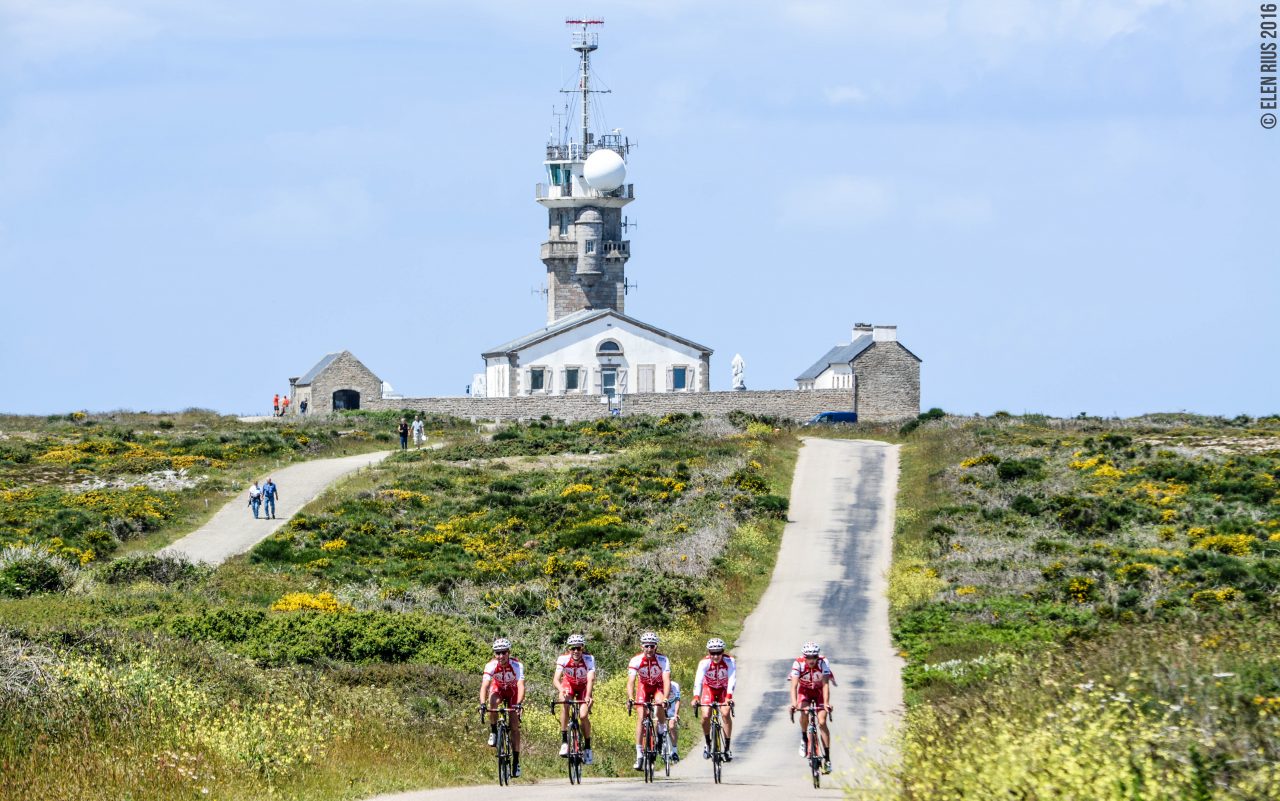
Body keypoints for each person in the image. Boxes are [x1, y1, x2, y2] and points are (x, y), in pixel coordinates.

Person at [480, 637, 525, 778]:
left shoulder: (517, 665)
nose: (501, 656)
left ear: (508, 652)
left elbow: (521, 685)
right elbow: (485, 686)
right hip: (498, 689)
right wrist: (482, 703)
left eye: (503, 652)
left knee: (514, 727)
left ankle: (516, 761)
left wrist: (518, 703)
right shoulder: (491, 665)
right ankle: (493, 731)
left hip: (512, 692)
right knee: (492, 702)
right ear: (495, 654)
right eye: (497, 653)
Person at [626, 631, 671, 771]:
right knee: (641, 717)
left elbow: (666, 680)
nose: (649, 649)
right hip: (643, 687)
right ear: (642, 646)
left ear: (656, 646)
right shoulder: (636, 660)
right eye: (647, 646)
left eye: (652, 646)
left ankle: (662, 729)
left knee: (659, 705)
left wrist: (665, 698)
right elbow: (631, 682)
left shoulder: (663, 659)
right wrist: (630, 697)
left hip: (658, 687)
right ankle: (639, 754)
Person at [789, 641, 835, 774]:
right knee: (803, 712)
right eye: (808, 657)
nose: (811, 660)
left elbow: (826, 684)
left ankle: (827, 759)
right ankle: (804, 738)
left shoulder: (823, 662)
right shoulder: (798, 663)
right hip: (805, 691)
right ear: (804, 657)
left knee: (821, 722)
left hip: (819, 691)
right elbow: (794, 686)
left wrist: (826, 703)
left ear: (817, 656)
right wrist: (794, 703)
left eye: (814, 657)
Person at [553, 634, 596, 765]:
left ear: (583, 648)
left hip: (583, 687)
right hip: (569, 685)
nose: (576, 651)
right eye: (573, 648)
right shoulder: (563, 659)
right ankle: (565, 740)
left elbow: (591, 679)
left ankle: (587, 747)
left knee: (583, 716)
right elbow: (556, 679)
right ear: (569, 649)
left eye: (579, 648)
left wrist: (588, 696)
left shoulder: (589, 659)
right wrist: (561, 689)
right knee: (564, 702)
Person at [694, 637, 737, 761]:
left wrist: (729, 697)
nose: (716, 656)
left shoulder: (730, 661)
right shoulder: (704, 663)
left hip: (723, 688)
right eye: (713, 653)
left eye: (718, 653)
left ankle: (727, 749)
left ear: (723, 651)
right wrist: (696, 697)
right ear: (709, 653)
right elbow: (698, 680)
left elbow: (732, 678)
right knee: (706, 715)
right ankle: (708, 744)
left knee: (725, 713)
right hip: (709, 688)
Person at [665, 680, 683, 763]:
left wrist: (676, 713)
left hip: (671, 708)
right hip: (661, 708)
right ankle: (660, 747)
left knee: (671, 726)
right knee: (656, 724)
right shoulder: (659, 684)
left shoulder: (675, 685)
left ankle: (674, 751)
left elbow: (677, 700)